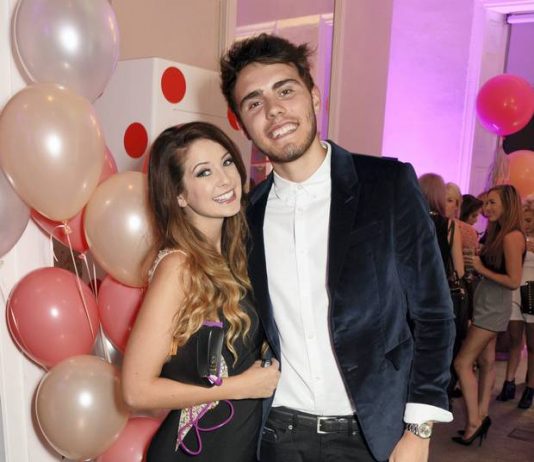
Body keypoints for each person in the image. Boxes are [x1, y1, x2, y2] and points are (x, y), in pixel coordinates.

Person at [220, 33, 455, 462]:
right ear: (241, 122)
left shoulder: (386, 185)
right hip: (279, 435)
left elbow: (434, 314)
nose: (273, 110)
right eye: (254, 103)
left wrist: (419, 429)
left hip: (374, 435)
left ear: (314, 96)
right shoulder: (244, 217)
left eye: (285, 91)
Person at [121, 122, 280, 462]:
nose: (225, 179)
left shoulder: (239, 254)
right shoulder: (178, 266)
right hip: (197, 451)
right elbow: (135, 389)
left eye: (226, 162)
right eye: (204, 172)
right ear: (179, 194)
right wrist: (242, 387)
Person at [453, 184, 525, 446]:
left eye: (493, 202)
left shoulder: (511, 236)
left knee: (462, 363)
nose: (487, 208)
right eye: (486, 203)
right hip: (486, 303)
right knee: (486, 361)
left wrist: (481, 268)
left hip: (493, 307)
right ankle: (481, 415)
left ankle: (474, 421)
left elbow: (513, 281)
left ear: (508, 204)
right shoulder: (498, 232)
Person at [418, 174, 466, 402]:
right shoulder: (449, 226)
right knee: (440, 351)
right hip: (440, 297)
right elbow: (459, 270)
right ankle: (438, 400)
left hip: (413, 295)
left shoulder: (409, 220)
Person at [496, 195, 534, 409]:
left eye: (529, 220)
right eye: (523, 219)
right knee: (514, 340)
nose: (525, 224)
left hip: (532, 291)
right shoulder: (516, 237)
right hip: (514, 291)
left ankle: (530, 388)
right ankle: (508, 382)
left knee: (533, 344)